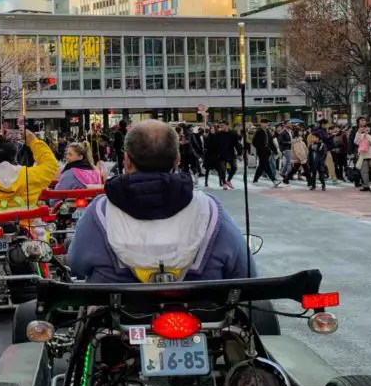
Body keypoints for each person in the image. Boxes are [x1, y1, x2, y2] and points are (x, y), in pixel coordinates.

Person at [67, 120, 253, 283]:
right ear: (177, 160)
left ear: (126, 161)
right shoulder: (210, 209)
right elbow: (245, 271)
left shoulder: (100, 211)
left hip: (115, 313)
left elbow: (76, 264)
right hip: (204, 313)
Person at [250, 119, 280, 186]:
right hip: (261, 152)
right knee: (266, 165)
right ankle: (274, 180)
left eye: (266, 123)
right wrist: (260, 148)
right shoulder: (258, 132)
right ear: (261, 124)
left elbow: (271, 142)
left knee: (261, 166)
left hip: (267, 151)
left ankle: (255, 179)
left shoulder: (267, 131)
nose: (265, 125)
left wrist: (275, 151)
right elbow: (254, 142)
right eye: (264, 123)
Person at [355, 122, 371, 192]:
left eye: (368, 127)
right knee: (364, 171)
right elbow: (356, 142)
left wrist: (368, 136)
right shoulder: (362, 135)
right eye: (365, 127)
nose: (366, 128)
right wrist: (358, 133)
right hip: (364, 155)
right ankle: (366, 185)